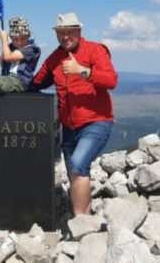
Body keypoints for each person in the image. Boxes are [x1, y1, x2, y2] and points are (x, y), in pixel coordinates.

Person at [31, 12, 118, 215]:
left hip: (96, 122)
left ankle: (80, 222)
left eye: (70, 32)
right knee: (74, 171)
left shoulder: (96, 50)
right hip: (68, 128)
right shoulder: (55, 58)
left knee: (78, 165)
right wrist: (8, 80)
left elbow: (111, 81)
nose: (65, 37)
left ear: (79, 31)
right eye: (61, 33)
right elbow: (36, 83)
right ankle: (84, 216)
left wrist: (82, 70)